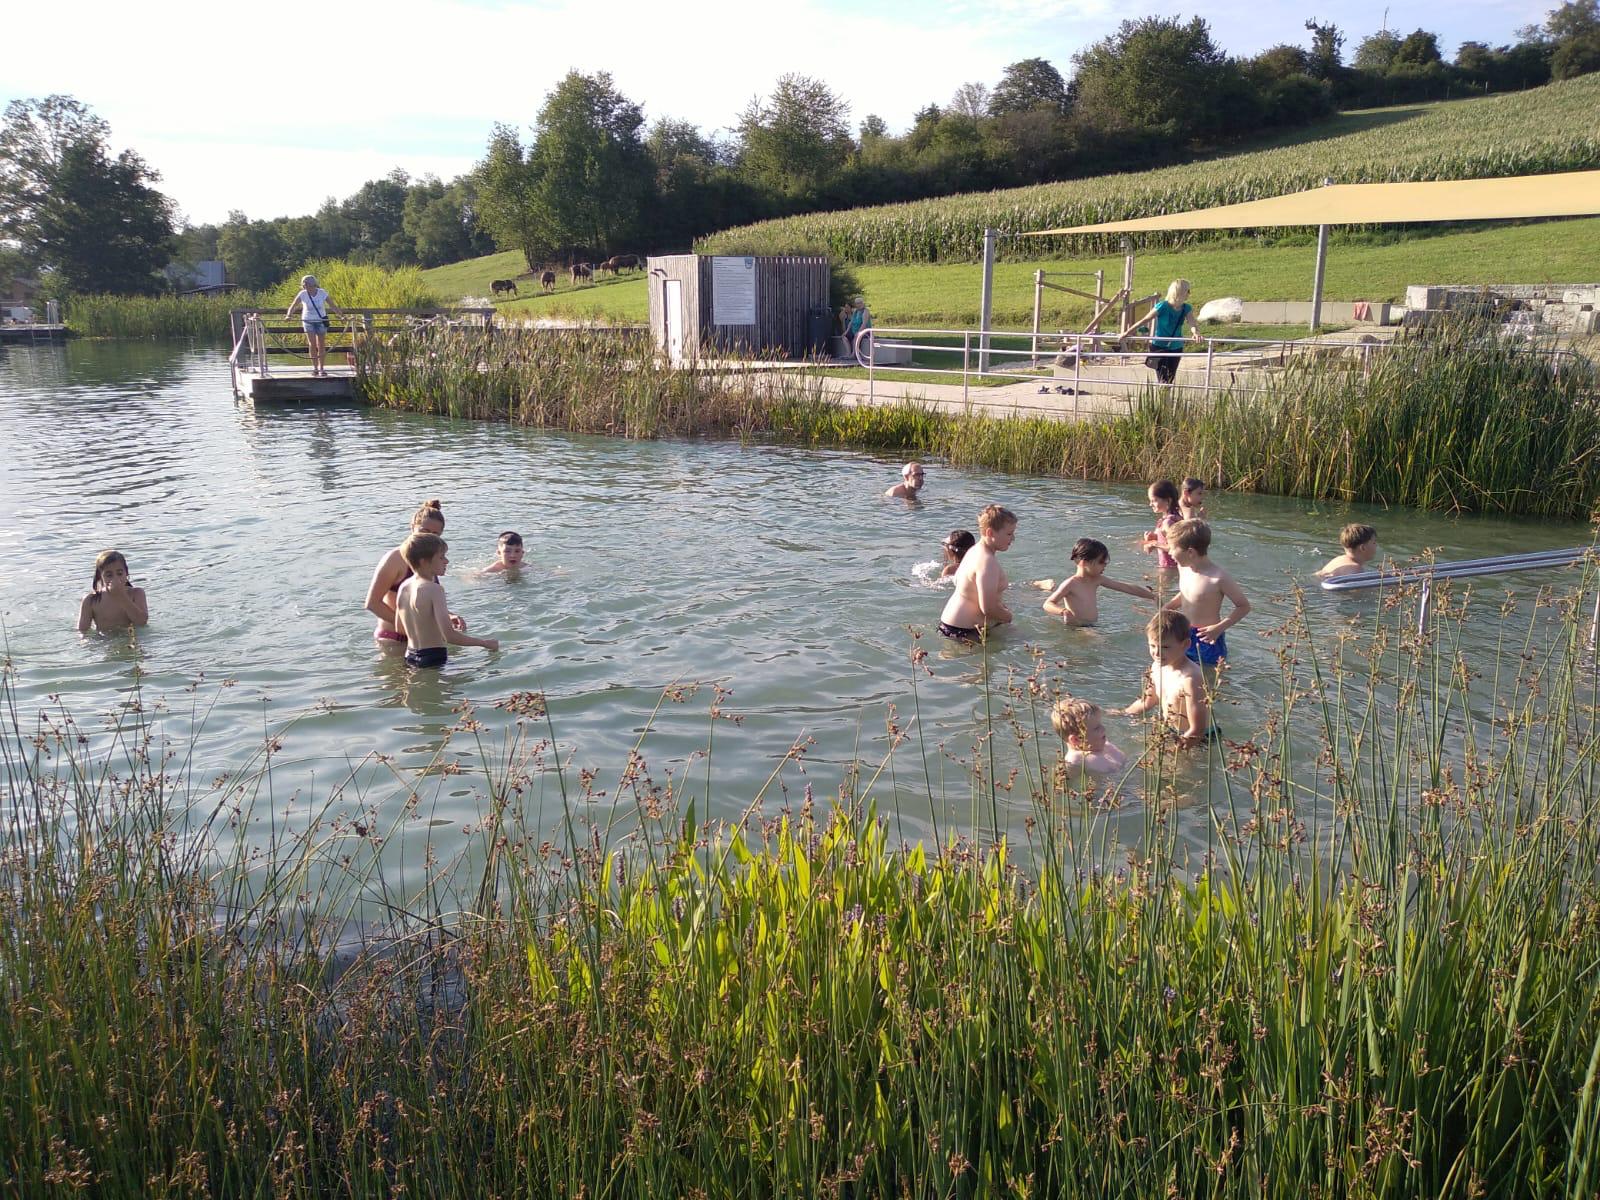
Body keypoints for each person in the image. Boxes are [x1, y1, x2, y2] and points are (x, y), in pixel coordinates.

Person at [365, 499, 464, 646]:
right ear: (412, 527)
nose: (429, 537)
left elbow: (422, 600)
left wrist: (448, 616)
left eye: (436, 534)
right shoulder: (394, 559)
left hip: (420, 639)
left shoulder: (430, 559)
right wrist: (408, 625)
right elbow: (372, 603)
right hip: (394, 639)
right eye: (424, 531)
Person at [393, 533, 499, 668]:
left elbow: (399, 628)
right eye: (441, 557)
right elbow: (449, 636)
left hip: (410, 656)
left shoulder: (404, 586)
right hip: (433, 658)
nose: (446, 561)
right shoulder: (434, 589)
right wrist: (484, 643)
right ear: (424, 561)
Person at [1164, 519, 1251, 667]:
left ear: (1190, 552)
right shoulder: (1184, 568)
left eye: (1172, 548)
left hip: (1207, 637)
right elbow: (1188, 593)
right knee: (1178, 671)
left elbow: (1243, 606)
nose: (1169, 552)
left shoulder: (1218, 577)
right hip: (1183, 633)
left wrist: (1219, 628)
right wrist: (1168, 606)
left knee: (1208, 676)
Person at [1121, 610, 1213, 748]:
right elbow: (1147, 701)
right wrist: (1123, 713)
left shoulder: (1191, 678)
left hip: (1198, 740)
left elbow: (1197, 730)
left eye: (1165, 647)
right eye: (1152, 646)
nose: (1157, 653)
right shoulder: (1156, 667)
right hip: (1171, 731)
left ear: (1185, 645)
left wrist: (1173, 751)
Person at [938, 504, 1016, 643]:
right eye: (1009, 534)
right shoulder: (987, 561)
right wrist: (1008, 616)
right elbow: (987, 608)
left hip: (954, 627)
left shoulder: (973, 551)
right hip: (965, 633)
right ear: (990, 533)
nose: (1013, 538)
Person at [1034, 538, 1155, 625]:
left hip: (1091, 626)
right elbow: (1048, 604)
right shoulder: (1071, 584)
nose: (1105, 565)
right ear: (1084, 562)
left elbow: (1126, 588)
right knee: (1101, 642)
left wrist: (1153, 596)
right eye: (1101, 562)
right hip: (1077, 627)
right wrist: (1063, 611)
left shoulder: (1097, 579)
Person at [1136, 280, 1199, 385]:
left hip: (1176, 347)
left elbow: (1192, 322)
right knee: (1163, 379)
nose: (1189, 294)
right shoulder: (1162, 306)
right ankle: (1164, 399)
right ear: (1181, 292)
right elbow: (1145, 319)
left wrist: (1196, 333)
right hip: (1159, 346)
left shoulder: (1186, 308)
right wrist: (1127, 332)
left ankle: (1166, 400)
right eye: (1188, 291)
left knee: (1170, 378)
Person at [77, 549, 149, 634]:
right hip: (105, 641)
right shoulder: (91, 600)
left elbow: (142, 622)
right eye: (109, 575)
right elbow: (82, 631)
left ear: (126, 573)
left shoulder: (136, 593)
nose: (115, 579)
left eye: (119, 573)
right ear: (100, 577)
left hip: (130, 639)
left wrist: (121, 596)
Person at [1052, 697, 1128, 775]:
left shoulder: (1104, 744)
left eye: (1100, 724)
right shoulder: (1076, 760)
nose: (1103, 728)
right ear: (1076, 740)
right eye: (1097, 728)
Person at [285, 273, 339, 378]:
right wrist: (288, 315)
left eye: (308, 285)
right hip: (308, 321)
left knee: (321, 345)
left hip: (321, 321)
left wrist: (341, 315)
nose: (306, 287)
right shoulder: (302, 294)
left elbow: (332, 305)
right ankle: (315, 368)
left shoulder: (322, 293)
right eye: (304, 285)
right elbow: (293, 306)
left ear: (313, 284)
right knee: (312, 344)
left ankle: (321, 368)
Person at [1141, 480, 1183, 572]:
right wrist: (1155, 537)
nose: (1150, 504)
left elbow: (1175, 548)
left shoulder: (1168, 523)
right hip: (1169, 567)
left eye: (1154, 500)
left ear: (1168, 500)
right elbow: (1167, 539)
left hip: (1170, 569)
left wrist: (1155, 545)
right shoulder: (1168, 519)